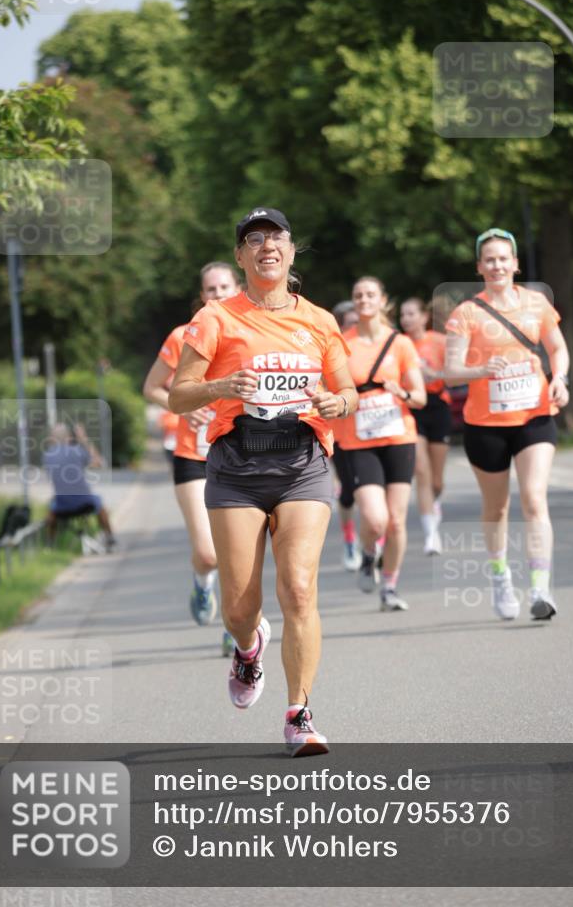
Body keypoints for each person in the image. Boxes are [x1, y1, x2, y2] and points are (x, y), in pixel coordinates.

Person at [169, 207, 357, 756]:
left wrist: (334, 400)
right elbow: (180, 394)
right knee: (239, 607)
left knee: (298, 587)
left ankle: (300, 714)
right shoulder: (215, 319)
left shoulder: (320, 321)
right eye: (254, 239)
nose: (266, 246)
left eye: (276, 237)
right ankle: (248, 648)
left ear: (292, 252)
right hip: (237, 468)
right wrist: (222, 383)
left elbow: (349, 394)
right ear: (240, 257)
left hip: (303, 464)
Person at [445, 228, 570, 621]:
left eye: (504, 258)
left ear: (515, 264)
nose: (497, 265)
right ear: (480, 267)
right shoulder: (465, 313)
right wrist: (482, 369)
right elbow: (450, 372)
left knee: (534, 498)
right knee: (497, 509)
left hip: (534, 415)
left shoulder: (536, 304)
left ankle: (539, 587)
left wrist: (560, 379)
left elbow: (558, 348)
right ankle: (500, 577)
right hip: (485, 424)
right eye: (490, 260)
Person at [143, 262, 241, 656]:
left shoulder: (249, 334)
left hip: (236, 452)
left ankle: (236, 629)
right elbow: (152, 387)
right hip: (192, 454)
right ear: (201, 296)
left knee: (236, 552)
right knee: (208, 552)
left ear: (236, 288)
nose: (217, 294)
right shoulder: (182, 337)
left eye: (223, 287)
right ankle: (203, 586)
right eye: (210, 289)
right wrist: (182, 408)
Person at [338, 277, 426, 611]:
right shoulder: (342, 344)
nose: (364, 300)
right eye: (358, 295)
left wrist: (400, 392)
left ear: (383, 300)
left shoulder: (400, 344)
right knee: (375, 519)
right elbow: (329, 388)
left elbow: (418, 397)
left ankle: (389, 586)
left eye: (370, 294)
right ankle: (369, 554)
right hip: (358, 441)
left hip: (398, 436)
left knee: (397, 520)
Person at [400, 297, 453, 556]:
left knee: (437, 480)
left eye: (411, 314)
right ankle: (431, 534)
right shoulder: (399, 344)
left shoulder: (438, 341)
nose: (406, 319)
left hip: (438, 405)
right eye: (403, 315)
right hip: (412, 407)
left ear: (423, 317)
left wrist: (435, 375)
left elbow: (455, 376)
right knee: (421, 470)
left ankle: (436, 502)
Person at [43, 423, 115, 549]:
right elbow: (99, 462)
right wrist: (83, 439)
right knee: (101, 506)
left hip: (62, 505)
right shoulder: (77, 450)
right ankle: (109, 537)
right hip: (85, 502)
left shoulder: (47, 455)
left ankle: (50, 544)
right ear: (69, 437)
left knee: (51, 510)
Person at [330, 300, 362, 571]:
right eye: (350, 322)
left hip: (375, 433)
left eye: (357, 320)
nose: (355, 325)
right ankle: (350, 538)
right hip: (342, 433)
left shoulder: (374, 346)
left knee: (378, 495)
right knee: (350, 492)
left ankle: (377, 542)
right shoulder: (335, 350)